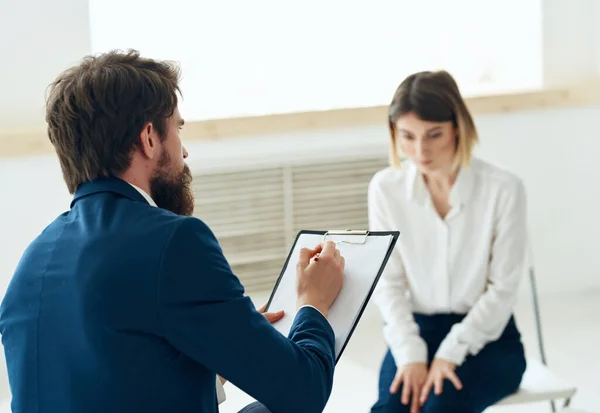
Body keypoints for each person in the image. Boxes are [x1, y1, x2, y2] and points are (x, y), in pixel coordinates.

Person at [0, 49, 346, 413]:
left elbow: (112, 383)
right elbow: (304, 390)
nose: (185, 152)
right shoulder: (174, 242)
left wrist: (225, 341)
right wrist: (313, 304)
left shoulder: (33, 258)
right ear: (149, 138)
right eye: (178, 129)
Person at [368, 70, 528, 413]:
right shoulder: (385, 189)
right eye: (407, 136)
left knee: (441, 405)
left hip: (489, 337)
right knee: (393, 408)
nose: (420, 150)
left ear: (458, 127)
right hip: (416, 330)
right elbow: (388, 284)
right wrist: (411, 354)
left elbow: (503, 290)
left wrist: (450, 353)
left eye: (433, 134)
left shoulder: (503, 189)